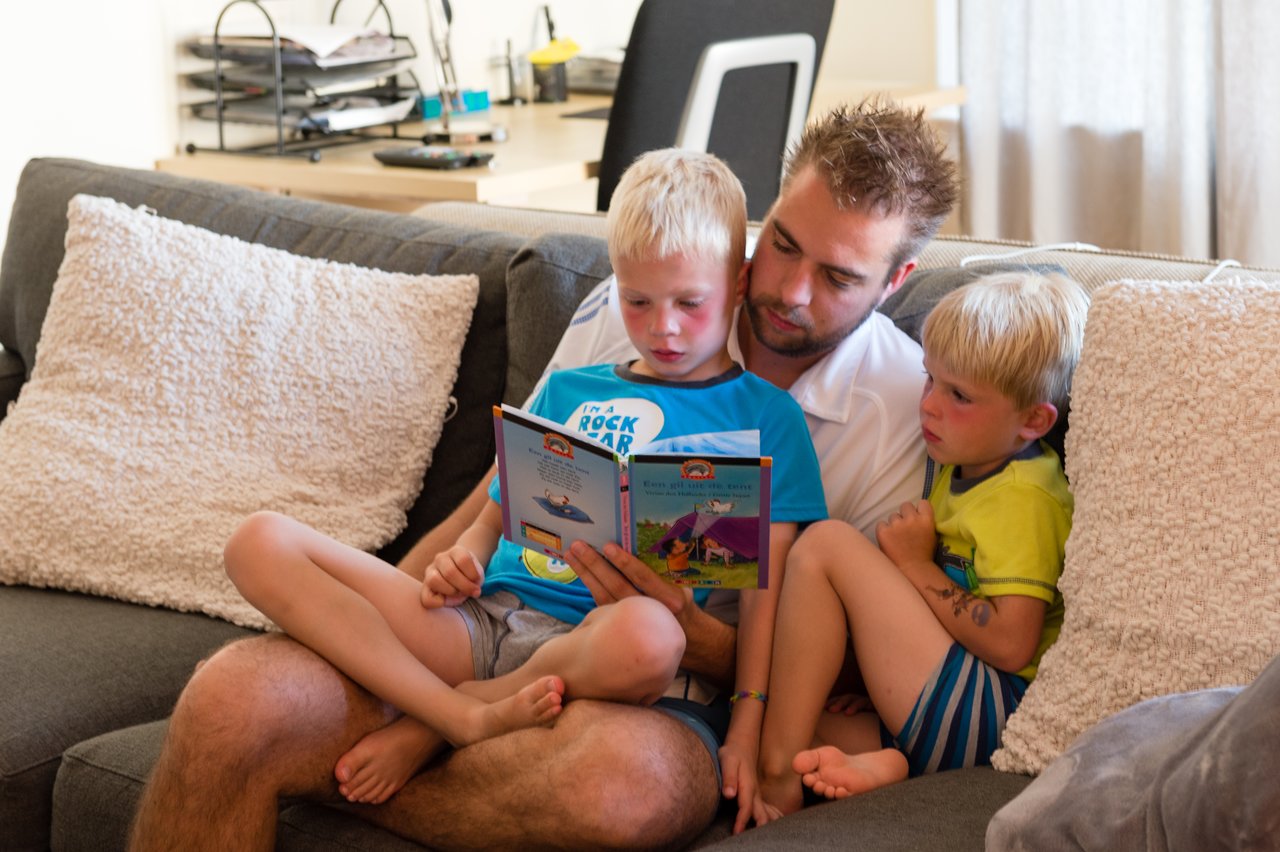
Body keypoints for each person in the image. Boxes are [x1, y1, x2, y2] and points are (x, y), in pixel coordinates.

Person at [129, 99, 959, 851]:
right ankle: (428, 723)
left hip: (655, 686)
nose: (785, 290)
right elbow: (505, 490)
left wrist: (698, 639)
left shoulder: (906, 413)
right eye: (780, 244)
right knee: (234, 701)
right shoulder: (628, 303)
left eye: (839, 276)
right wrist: (409, 607)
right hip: (490, 625)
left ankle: (379, 750)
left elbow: (850, 669)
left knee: (616, 784)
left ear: (896, 284)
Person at [756, 272, 1090, 818]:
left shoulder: (1024, 497)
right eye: (930, 379)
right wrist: (886, 670)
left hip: (991, 711)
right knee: (790, 701)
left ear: (1032, 420)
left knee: (825, 544)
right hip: (952, 697)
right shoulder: (962, 462)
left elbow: (1011, 644)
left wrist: (912, 563)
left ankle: (775, 778)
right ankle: (890, 760)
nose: (930, 406)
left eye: (958, 395)